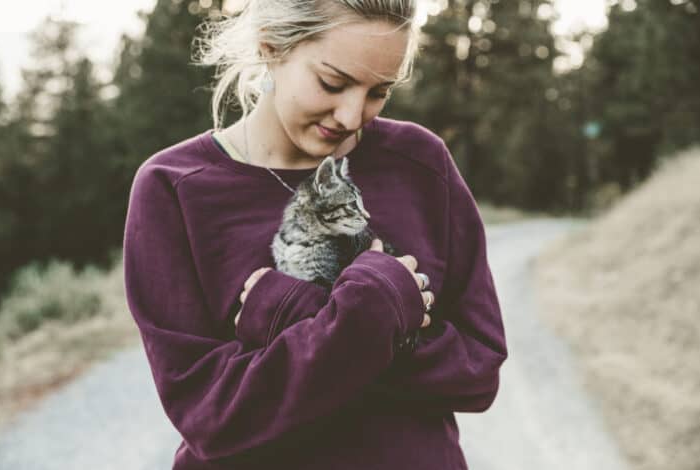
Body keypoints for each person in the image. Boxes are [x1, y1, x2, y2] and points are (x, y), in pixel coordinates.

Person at [122, 1, 508, 469]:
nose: (351, 116)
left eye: (378, 92)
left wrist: (296, 314)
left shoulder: (420, 163)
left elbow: (477, 370)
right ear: (271, 46)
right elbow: (211, 415)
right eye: (333, 83)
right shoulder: (175, 187)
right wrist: (372, 313)